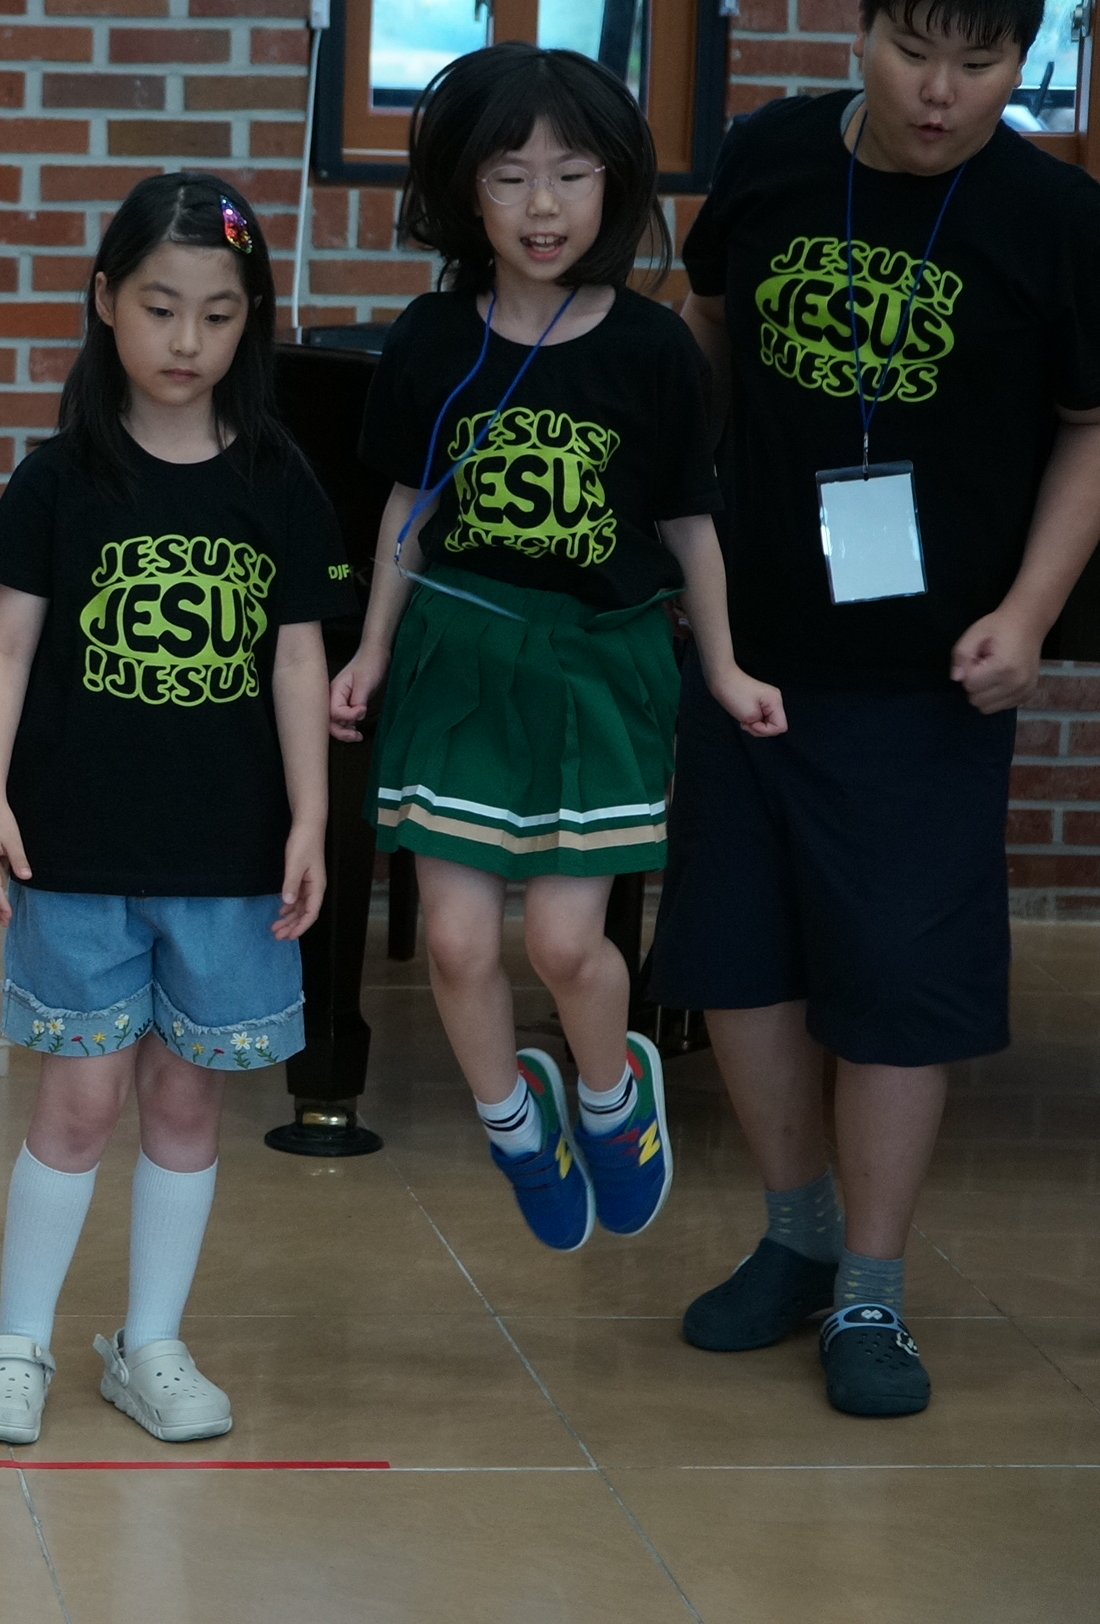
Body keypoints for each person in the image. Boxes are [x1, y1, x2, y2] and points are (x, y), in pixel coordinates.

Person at [651, 0, 1100, 1417]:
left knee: (898, 987)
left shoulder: (1055, 218)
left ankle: (871, 1288)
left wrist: (1030, 613)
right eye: (916, 53)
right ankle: (794, 1237)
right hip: (752, 651)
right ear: (862, 31)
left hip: (929, 675)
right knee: (740, 961)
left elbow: (1092, 430)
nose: (941, 94)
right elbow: (706, 326)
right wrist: (674, 526)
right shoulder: (772, 155)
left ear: (1023, 60)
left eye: (981, 66)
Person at [329, 44, 784, 1253]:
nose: (543, 205)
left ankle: (610, 1098)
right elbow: (409, 506)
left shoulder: (654, 352)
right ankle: (514, 1125)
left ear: (614, 186)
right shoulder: (431, 340)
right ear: (463, 192)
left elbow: (691, 526)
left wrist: (724, 667)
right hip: (461, 658)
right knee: (455, 940)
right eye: (510, 176)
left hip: (601, 664)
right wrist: (371, 649)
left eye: (572, 175)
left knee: (566, 943)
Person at [0, 173, 354, 1446]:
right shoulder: (61, 476)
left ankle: (151, 1343)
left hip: (229, 863)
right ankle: (15, 1340)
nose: (188, 340)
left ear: (251, 323)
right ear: (105, 302)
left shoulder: (279, 480)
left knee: (186, 1103)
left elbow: (299, 659)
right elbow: (6, 648)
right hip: (75, 854)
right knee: (79, 1102)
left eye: (219, 315)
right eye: (161, 307)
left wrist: (309, 819)